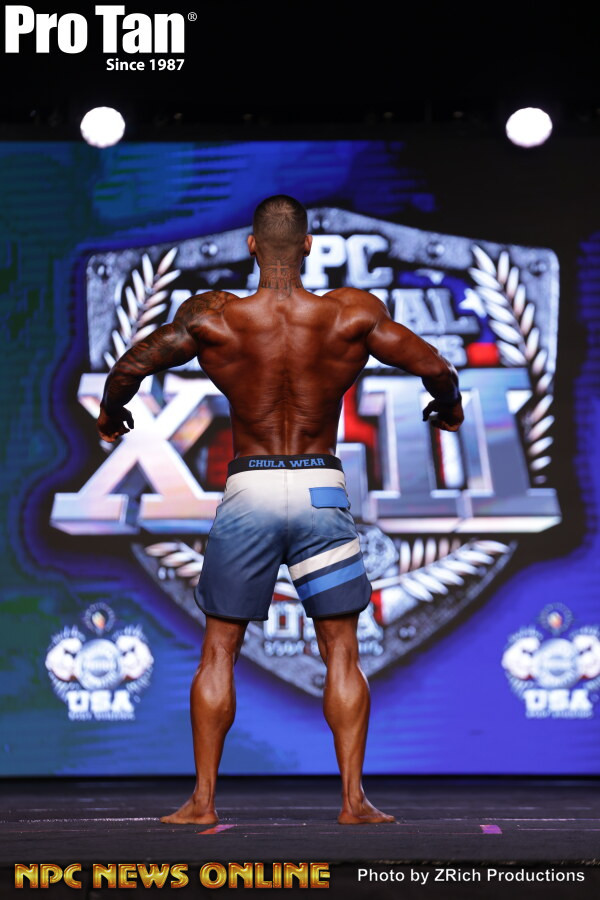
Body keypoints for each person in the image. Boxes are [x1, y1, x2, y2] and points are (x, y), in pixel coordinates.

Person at [97, 195, 464, 826]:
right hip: (320, 487)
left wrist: (112, 415)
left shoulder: (215, 318)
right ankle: (353, 801)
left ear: (251, 246)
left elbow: (131, 366)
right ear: (309, 246)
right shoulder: (350, 314)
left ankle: (202, 802)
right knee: (341, 650)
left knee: (220, 649)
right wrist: (447, 408)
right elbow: (436, 366)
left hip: (252, 489)